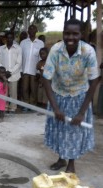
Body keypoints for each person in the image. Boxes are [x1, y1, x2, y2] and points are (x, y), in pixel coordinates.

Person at [42, 19, 101, 173]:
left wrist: (82, 112)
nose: (70, 37)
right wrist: (55, 107)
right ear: (63, 33)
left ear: (81, 34)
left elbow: (94, 81)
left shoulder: (88, 51)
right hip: (59, 94)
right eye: (67, 33)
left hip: (79, 95)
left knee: (74, 131)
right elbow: (46, 79)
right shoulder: (55, 50)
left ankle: (71, 164)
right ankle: (61, 159)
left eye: (75, 34)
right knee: (59, 128)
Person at [0, 32, 22, 115]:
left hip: (14, 74)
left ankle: (13, 108)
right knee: (4, 91)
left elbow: (19, 62)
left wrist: (10, 71)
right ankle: (5, 107)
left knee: (13, 92)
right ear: (5, 39)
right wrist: (3, 72)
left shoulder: (18, 48)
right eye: (8, 38)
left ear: (13, 38)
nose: (9, 39)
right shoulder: (1, 48)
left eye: (11, 38)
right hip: (3, 74)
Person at [20, 25, 44, 110]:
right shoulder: (23, 43)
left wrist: (39, 72)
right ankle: (26, 105)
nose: (32, 30)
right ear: (28, 31)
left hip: (35, 70)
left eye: (34, 29)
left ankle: (32, 105)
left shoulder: (40, 43)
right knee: (25, 89)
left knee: (34, 89)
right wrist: (20, 70)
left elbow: (41, 58)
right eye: (30, 29)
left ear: (37, 30)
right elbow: (20, 56)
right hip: (25, 70)